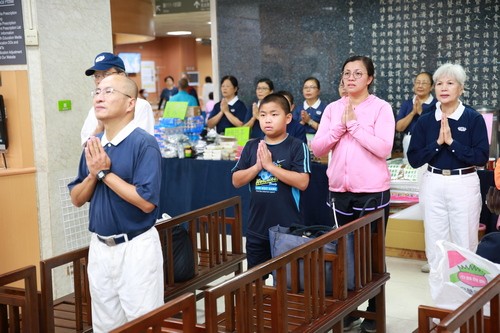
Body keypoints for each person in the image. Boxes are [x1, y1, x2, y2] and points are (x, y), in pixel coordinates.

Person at [68, 75, 163, 332]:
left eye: (108, 91)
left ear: (130, 103)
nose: (99, 97)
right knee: (105, 325)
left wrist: (104, 174)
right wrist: (92, 173)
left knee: (143, 324)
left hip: (135, 247)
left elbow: (146, 203)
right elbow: (76, 198)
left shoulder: (144, 143)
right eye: (97, 91)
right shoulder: (93, 145)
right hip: (99, 248)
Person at [311, 55, 395, 333]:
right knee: (344, 254)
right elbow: (318, 148)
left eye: (358, 73)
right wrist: (340, 126)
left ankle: (373, 310)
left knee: (370, 253)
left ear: (369, 78)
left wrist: (355, 126)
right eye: (347, 73)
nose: (351, 78)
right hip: (339, 192)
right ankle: (347, 308)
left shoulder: (381, 108)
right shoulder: (334, 109)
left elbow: (383, 148)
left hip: (372, 192)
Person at [407, 63, 489, 286]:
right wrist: (436, 144)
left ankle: (466, 301)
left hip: (463, 183)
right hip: (433, 182)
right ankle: (440, 302)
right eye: (439, 83)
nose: (443, 88)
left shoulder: (472, 118)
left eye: (450, 83)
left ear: (460, 89)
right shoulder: (425, 120)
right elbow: (414, 159)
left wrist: (452, 143)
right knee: (435, 243)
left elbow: (481, 157)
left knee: (465, 241)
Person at [232, 93, 311, 270]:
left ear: (288, 118)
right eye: (263, 115)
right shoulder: (252, 146)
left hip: (288, 230)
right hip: (256, 228)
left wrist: (270, 166)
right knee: (256, 283)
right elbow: (236, 180)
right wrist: (257, 167)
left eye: (274, 115)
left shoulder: (297, 146)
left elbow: (302, 182)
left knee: (288, 284)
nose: (268, 120)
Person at [80, 52, 155, 147]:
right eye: (97, 76)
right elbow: (86, 145)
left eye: (106, 74)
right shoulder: (96, 107)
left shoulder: (140, 105)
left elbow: (144, 145)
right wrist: (100, 127)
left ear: (122, 75)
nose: (100, 80)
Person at [395, 72, 438, 163]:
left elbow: (435, 127)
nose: (420, 85)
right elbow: (399, 127)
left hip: (429, 141)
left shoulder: (437, 104)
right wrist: (413, 113)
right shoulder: (407, 103)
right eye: (417, 82)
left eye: (424, 83)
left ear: (431, 87)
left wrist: (420, 112)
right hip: (409, 140)